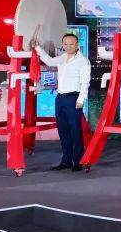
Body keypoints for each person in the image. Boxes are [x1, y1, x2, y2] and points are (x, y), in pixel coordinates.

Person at [33, 33, 91, 172]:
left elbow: (85, 82)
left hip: (73, 99)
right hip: (60, 98)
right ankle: (66, 161)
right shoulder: (62, 57)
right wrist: (38, 48)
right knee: (63, 130)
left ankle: (78, 161)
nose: (68, 46)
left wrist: (81, 99)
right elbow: (49, 61)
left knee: (75, 130)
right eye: (66, 44)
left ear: (77, 45)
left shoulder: (83, 61)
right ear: (63, 44)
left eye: (71, 44)